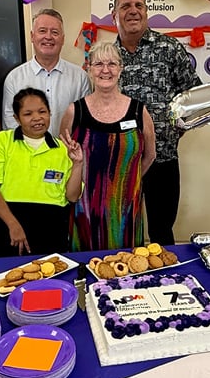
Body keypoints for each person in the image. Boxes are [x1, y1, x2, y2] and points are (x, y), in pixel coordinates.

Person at [112, 0, 202, 246]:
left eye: (139, 5)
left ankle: (165, 282)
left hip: (163, 158)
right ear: (114, 14)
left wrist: (177, 128)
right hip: (120, 163)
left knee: (162, 231)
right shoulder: (107, 57)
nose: (133, 11)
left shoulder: (169, 48)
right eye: (126, 6)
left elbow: (193, 96)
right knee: (121, 231)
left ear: (146, 12)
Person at [60, 41, 156, 252]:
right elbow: (63, 159)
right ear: (89, 68)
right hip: (85, 211)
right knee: (87, 269)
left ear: (121, 69)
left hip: (126, 211)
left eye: (112, 64)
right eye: (99, 64)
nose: (106, 70)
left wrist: (129, 180)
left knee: (127, 271)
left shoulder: (139, 111)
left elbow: (150, 155)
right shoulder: (74, 112)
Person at [0, 87, 83, 257]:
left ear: (50, 113)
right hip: (10, 227)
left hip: (52, 231)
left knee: (51, 280)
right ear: (17, 118)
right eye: (28, 114)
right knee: (8, 279)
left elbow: (72, 196)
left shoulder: (62, 148)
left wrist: (77, 163)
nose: (37, 118)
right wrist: (13, 225)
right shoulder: (2, 142)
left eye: (42, 111)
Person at [2, 8, 90, 138]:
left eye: (55, 32)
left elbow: (85, 122)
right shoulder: (14, 78)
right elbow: (10, 125)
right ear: (32, 36)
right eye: (42, 31)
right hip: (28, 156)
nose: (48, 37)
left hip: (67, 155)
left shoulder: (80, 77)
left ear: (63, 39)